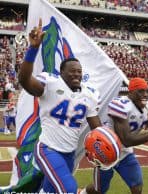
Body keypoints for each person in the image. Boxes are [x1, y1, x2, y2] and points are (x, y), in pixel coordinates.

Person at [17, 19, 103, 193]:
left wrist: (106, 142)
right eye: (72, 71)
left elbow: (97, 128)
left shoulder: (89, 95)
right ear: (62, 72)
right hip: (48, 149)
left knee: (50, 191)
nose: (76, 74)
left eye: (79, 71)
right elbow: (24, 80)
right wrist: (33, 49)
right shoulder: (51, 83)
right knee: (69, 189)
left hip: (69, 154)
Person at [82, 77, 148, 194]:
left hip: (125, 153)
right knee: (100, 190)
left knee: (137, 187)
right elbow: (127, 139)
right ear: (131, 92)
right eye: (140, 91)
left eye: (147, 91)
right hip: (107, 151)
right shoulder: (121, 105)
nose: (145, 94)